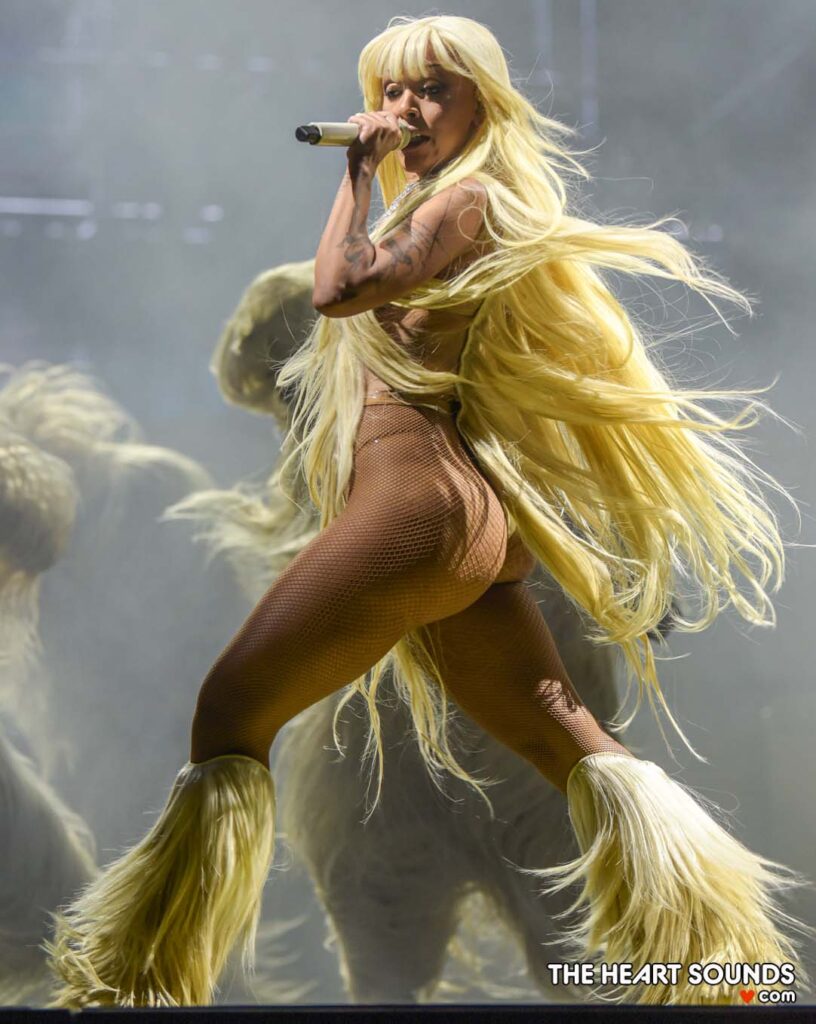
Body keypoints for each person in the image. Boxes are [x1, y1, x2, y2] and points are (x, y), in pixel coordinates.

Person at [47, 14, 808, 1007]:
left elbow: (338, 288)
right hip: (461, 522)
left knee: (229, 713)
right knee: (574, 749)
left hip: (418, 509)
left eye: (432, 91)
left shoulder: (464, 200)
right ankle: (714, 955)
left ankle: (133, 978)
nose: (405, 109)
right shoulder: (454, 206)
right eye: (392, 92)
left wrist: (355, 174)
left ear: (483, 106)